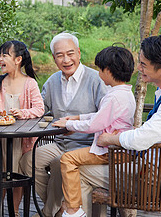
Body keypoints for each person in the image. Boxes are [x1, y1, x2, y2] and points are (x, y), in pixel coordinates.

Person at [79, 35, 161, 217]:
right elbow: (151, 132)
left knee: (80, 171)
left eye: (144, 65)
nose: (139, 68)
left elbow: (140, 139)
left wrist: (109, 138)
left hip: (158, 182)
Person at [19, 32, 107, 217]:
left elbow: (105, 117)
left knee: (60, 164)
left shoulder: (96, 80)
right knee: (28, 161)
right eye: (60, 55)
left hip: (86, 147)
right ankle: (58, 208)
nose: (66, 60)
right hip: (59, 144)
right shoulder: (51, 82)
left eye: (70, 53)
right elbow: (40, 109)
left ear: (79, 53)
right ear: (54, 58)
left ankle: (48, 212)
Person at [52, 46, 135, 217]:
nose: (98, 73)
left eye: (100, 69)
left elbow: (95, 125)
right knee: (72, 160)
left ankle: (73, 209)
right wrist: (77, 118)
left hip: (108, 150)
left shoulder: (113, 96)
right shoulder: (125, 93)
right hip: (117, 149)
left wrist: (69, 126)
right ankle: (75, 208)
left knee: (68, 159)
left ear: (109, 71)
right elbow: (100, 116)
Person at [0, 40, 45, 216]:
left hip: (23, 141)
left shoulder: (30, 83)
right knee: (0, 175)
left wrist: (22, 112)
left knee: (16, 174)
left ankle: (14, 212)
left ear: (17, 60)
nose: (0, 59)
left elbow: (39, 109)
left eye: (4, 55)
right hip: (2, 139)